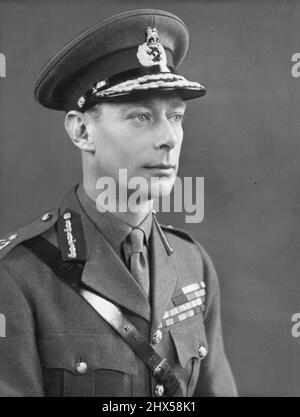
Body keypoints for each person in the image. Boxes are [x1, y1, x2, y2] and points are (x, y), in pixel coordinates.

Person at [0, 8, 237, 397]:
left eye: (175, 116)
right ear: (81, 131)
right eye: (141, 117)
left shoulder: (192, 263)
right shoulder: (18, 275)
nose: (169, 138)